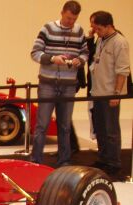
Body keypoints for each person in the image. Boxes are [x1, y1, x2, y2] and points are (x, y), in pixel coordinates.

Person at [29, 1, 88, 167]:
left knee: (65, 125)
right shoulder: (47, 28)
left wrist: (79, 61)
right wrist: (52, 59)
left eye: (74, 19)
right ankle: (36, 161)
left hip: (69, 85)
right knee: (42, 125)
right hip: (47, 83)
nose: (71, 22)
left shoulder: (79, 31)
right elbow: (34, 53)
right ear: (62, 13)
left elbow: (85, 53)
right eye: (68, 18)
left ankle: (64, 161)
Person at [89, 11, 130, 180]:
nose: (95, 31)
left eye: (97, 28)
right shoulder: (101, 39)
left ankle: (114, 162)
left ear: (108, 26)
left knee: (111, 129)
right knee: (100, 128)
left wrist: (117, 94)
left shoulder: (120, 42)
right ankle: (103, 158)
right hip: (98, 92)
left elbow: (123, 71)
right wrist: (91, 37)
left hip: (110, 93)